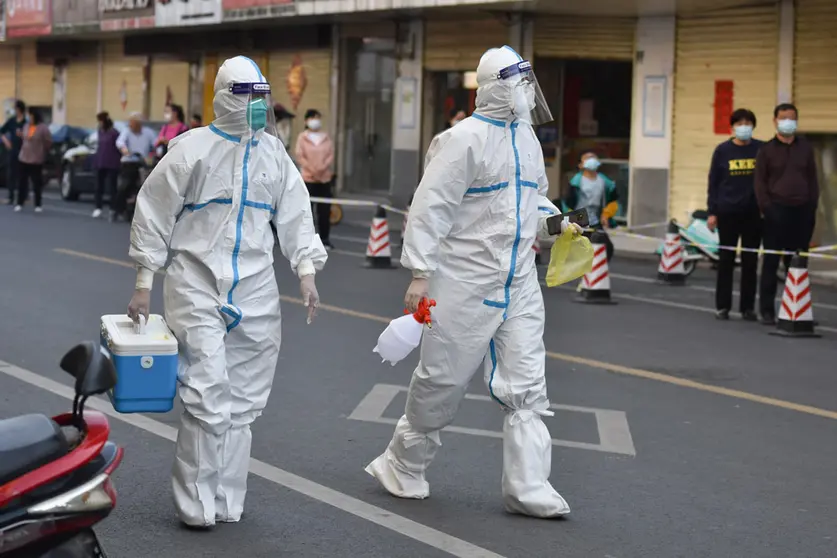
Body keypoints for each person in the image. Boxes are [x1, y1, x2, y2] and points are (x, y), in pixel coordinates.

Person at [365, 46, 578, 518]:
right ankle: (402, 464)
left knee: (527, 384)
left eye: (529, 82)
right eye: (519, 82)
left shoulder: (527, 138)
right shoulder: (461, 140)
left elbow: (533, 203)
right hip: (461, 281)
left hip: (517, 278)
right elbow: (430, 207)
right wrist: (420, 274)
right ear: (497, 86)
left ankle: (529, 487)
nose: (527, 91)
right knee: (442, 381)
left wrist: (557, 223)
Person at [126, 55, 327, 528]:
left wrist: (306, 270)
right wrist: (143, 283)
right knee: (207, 391)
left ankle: (225, 500)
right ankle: (195, 503)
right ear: (224, 98)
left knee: (243, 401)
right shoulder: (192, 149)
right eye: (248, 97)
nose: (257, 108)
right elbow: (153, 213)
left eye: (262, 99)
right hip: (196, 284)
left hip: (256, 289)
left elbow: (295, 214)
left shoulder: (273, 154)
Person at [754, 103, 819, 325]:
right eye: (783, 118)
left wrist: (811, 208)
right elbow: (760, 184)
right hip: (776, 212)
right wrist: (768, 209)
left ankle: (798, 310)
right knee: (771, 263)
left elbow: (813, 181)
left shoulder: (806, 149)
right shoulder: (766, 151)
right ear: (775, 121)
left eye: (791, 118)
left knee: (799, 265)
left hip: (802, 212)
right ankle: (767, 311)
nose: (787, 122)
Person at [706, 108, 763, 321]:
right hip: (728, 212)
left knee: (750, 262)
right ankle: (723, 306)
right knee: (726, 261)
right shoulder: (722, 151)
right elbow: (713, 183)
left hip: (753, 213)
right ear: (733, 127)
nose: (744, 127)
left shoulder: (761, 149)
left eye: (748, 123)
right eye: (740, 123)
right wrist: (713, 211)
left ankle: (747, 307)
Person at [561, 151, 619, 260]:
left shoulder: (605, 181)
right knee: (579, 250)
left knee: (606, 248)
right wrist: (569, 220)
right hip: (579, 219)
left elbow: (613, 200)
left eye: (593, 157)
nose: (591, 160)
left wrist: (606, 214)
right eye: (587, 158)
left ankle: (596, 271)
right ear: (581, 165)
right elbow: (567, 202)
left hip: (596, 220)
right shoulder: (575, 182)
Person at [295, 109, 335, 248]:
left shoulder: (326, 137)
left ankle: (325, 239)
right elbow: (300, 156)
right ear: (306, 121)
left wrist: (321, 169)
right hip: (308, 179)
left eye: (318, 117)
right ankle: (306, 240)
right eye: (313, 118)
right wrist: (312, 170)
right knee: (307, 212)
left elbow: (330, 155)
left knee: (324, 212)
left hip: (324, 180)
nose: (316, 120)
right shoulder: (302, 137)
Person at [114, 112, 156, 221]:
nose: (131, 125)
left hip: (143, 162)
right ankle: (118, 209)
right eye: (130, 122)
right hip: (129, 162)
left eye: (133, 123)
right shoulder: (127, 132)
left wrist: (157, 151)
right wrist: (125, 150)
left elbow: (155, 144)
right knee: (124, 185)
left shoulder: (148, 133)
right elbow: (120, 142)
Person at [15, 107, 52, 213]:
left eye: (30, 116)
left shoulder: (43, 128)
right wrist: (21, 135)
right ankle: (19, 202)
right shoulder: (26, 126)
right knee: (22, 181)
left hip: (36, 159)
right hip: (24, 158)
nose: (29, 118)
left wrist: (43, 149)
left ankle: (38, 204)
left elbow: (48, 141)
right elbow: (25, 138)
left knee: (36, 183)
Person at [92, 111, 122, 219]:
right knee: (98, 187)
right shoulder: (100, 131)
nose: (99, 123)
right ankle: (98, 207)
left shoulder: (114, 133)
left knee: (112, 188)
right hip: (100, 162)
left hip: (112, 162)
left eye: (100, 121)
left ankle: (112, 208)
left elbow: (119, 147)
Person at [1, 100, 27, 205]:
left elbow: (31, 136)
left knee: (23, 173)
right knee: (11, 173)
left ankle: (23, 196)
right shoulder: (12, 121)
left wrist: (23, 135)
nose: (15, 111)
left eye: (16, 109)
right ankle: (11, 196)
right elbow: (2, 131)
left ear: (20, 110)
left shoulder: (26, 122)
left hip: (24, 150)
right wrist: (6, 141)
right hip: (13, 150)